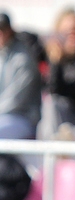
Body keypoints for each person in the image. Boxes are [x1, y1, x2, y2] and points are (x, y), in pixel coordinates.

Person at [0, 11, 41, 139]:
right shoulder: (4, 54)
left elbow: (15, 99)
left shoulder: (23, 58)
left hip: (22, 118)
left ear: (10, 31)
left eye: (2, 30)